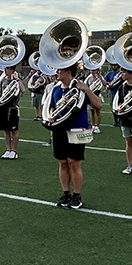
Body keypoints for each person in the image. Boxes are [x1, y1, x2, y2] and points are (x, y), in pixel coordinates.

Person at [49, 65, 103, 209]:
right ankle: (66, 193)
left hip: (76, 130)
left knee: (74, 163)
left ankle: (77, 195)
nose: (57, 72)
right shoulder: (55, 89)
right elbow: (52, 108)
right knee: (62, 163)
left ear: (68, 72)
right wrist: (51, 116)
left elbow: (98, 105)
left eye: (59, 70)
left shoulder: (80, 89)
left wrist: (87, 90)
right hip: (59, 130)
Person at [0, 65, 25, 159]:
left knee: (14, 131)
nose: (6, 70)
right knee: (6, 131)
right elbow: (0, 93)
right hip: (4, 108)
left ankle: (14, 151)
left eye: (8, 69)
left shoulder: (16, 81)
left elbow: (23, 90)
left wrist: (17, 79)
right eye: (5, 68)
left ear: (12, 70)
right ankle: (8, 149)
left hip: (13, 108)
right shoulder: (3, 80)